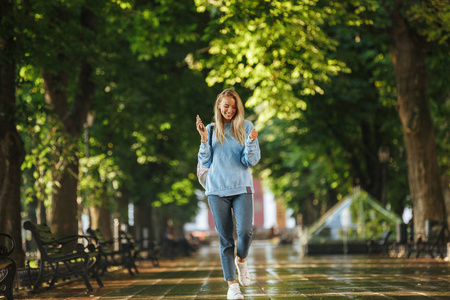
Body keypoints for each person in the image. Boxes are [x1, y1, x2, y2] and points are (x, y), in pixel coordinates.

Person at [196, 89, 261, 300]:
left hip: (242, 187)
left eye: (234, 107)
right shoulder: (211, 129)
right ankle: (232, 286)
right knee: (225, 240)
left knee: (246, 231)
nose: (230, 110)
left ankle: (241, 260)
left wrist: (250, 142)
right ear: (218, 106)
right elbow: (205, 162)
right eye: (226, 106)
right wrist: (204, 140)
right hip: (216, 190)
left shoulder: (247, 127)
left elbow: (250, 161)